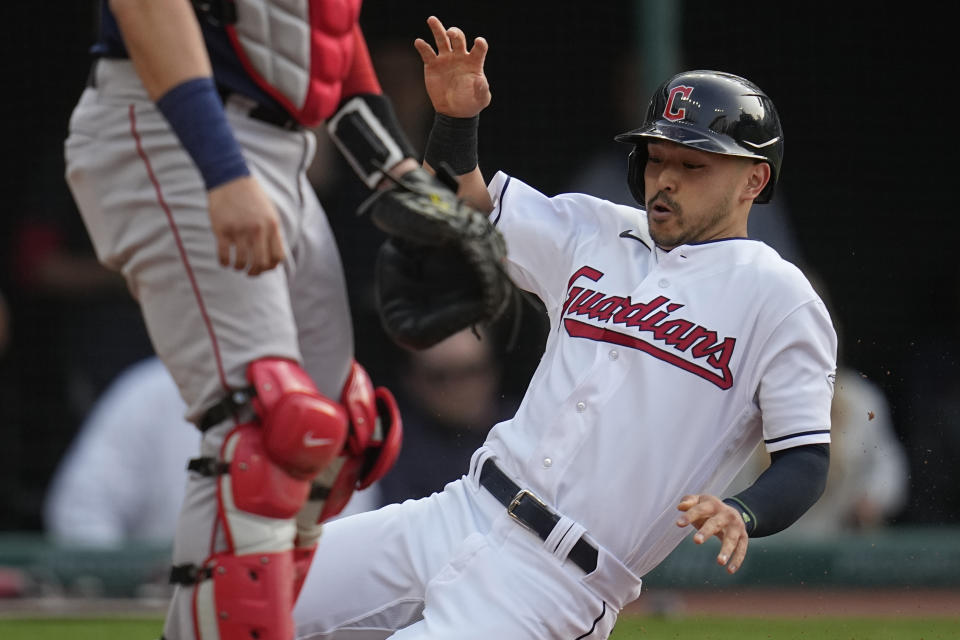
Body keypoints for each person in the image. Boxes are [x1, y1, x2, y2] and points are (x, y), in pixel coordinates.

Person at [292, 16, 838, 639]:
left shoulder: (780, 297)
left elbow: (805, 460)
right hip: (457, 511)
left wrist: (744, 510)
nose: (665, 177)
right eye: (657, 156)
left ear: (752, 179)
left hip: (556, 584)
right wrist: (455, 121)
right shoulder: (595, 227)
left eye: (693, 165)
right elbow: (456, 204)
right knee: (238, 597)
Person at [61, 3, 503, 638]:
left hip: (284, 144)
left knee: (333, 435)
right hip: (179, 124)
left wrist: (399, 178)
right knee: (266, 430)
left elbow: (325, 33)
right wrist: (220, 169)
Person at [43, 357, 381, 548]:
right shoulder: (151, 390)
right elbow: (80, 512)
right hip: (161, 603)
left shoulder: (322, 398)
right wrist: (130, 585)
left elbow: (350, 540)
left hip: (290, 605)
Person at [379, 328, 516, 505]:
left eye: (471, 371)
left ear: (493, 370)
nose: (459, 387)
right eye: (440, 376)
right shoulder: (395, 453)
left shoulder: (524, 427)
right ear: (411, 381)